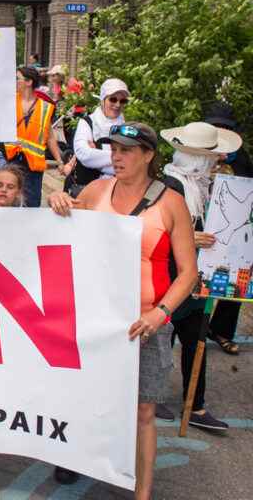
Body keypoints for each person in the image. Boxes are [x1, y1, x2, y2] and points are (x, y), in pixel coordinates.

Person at [48, 122, 197, 499]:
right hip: (97, 317)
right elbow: (60, 226)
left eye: (127, 150)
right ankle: (76, 456)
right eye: (113, 148)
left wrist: (159, 314)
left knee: (143, 411)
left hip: (144, 321)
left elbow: (189, 274)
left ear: (148, 155)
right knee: (85, 393)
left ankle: (142, 492)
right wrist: (58, 202)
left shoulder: (170, 202)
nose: (116, 156)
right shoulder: (98, 189)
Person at [155, 121, 242, 430]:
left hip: (193, 275)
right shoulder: (169, 185)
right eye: (213, 156)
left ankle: (196, 405)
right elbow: (151, 229)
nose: (217, 161)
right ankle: (152, 397)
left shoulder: (201, 185)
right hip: (166, 273)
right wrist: (190, 238)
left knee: (194, 336)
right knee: (162, 338)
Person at [203, 102, 253, 354]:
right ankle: (192, 329)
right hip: (200, 225)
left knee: (233, 276)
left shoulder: (242, 158)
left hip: (231, 227)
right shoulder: (196, 151)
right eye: (216, 127)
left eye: (225, 127)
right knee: (196, 279)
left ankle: (221, 330)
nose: (220, 131)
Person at [5, 67, 62, 207]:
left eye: (17, 79)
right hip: (10, 160)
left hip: (33, 166)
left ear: (29, 82)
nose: (15, 82)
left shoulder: (44, 107)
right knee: (9, 202)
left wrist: (59, 160)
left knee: (31, 205)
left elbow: (49, 137)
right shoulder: (8, 102)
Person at [68, 78, 129, 196]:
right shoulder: (87, 122)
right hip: (86, 192)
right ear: (102, 99)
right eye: (113, 99)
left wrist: (97, 150)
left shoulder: (127, 128)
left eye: (123, 101)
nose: (117, 104)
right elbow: (84, 155)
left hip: (115, 193)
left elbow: (131, 163)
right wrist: (119, 157)